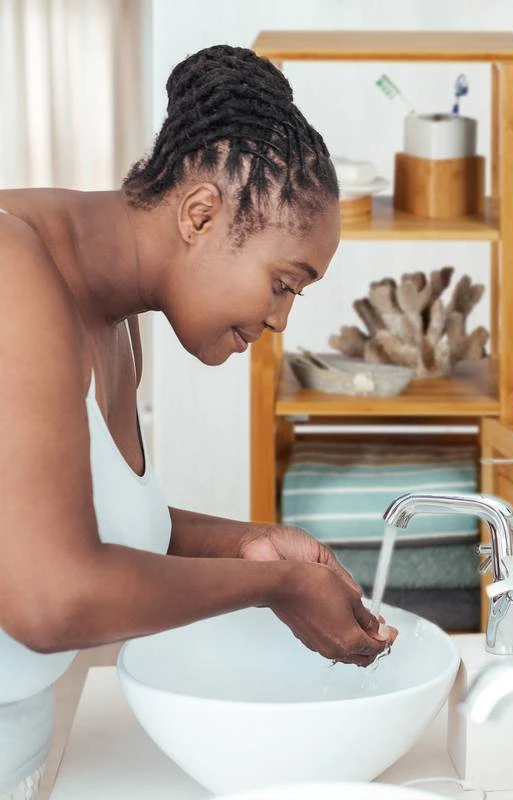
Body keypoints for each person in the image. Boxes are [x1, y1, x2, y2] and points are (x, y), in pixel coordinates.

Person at [0, 44, 398, 800]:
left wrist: (248, 544)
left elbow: (62, 524)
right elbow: (49, 598)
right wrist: (273, 586)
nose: (280, 320)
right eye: (284, 283)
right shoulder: (8, 268)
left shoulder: (116, 319)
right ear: (201, 213)